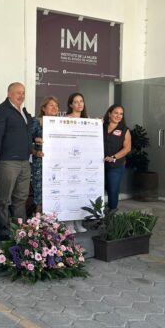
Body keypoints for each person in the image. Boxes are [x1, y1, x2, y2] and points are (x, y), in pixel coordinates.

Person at [0, 82, 33, 240]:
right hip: (8, 161)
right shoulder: (1, 110)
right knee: (5, 198)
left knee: (21, 197)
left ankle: (19, 229)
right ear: (9, 93)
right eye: (18, 92)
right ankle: (3, 230)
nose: (21, 95)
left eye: (23, 92)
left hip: (24, 161)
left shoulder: (23, 111)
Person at [31, 96, 60, 213]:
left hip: (57, 164)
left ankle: (53, 219)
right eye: (51, 105)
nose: (55, 108)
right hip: (40, 162)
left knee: (55, 190)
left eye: (56, 106)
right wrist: (35, 151)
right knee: (40, 192)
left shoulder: (61, 123)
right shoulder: (36, 121)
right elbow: (26, 141)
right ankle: (38, 220)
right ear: (43, 108)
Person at [66, 92, 89, 232]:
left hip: (83, 163)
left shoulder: (87, 121)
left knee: (80, 193)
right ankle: (69, 223)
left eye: (81, 101)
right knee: (70, 192)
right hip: (69, 161)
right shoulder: (66, 119)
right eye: (76, 101)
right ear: (71, 105)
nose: (79, 104)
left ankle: (79, 222)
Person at [103, 104, 132, 211]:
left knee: (113, 189)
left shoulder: (124, 130)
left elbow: (127, 148)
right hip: (99, 165)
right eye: (116, 113)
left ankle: (112, 213)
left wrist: (114, 157)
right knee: (98, 189)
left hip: (116, 165)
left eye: (121, 114)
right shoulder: (101, 126)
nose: (118, 116)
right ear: (109, 114)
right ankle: (98, 213)